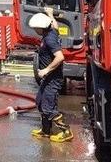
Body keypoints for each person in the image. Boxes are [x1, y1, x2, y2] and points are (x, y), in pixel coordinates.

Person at [28, 12, 73, 143]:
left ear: (41, 27)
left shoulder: (50, 39)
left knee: (48, 107)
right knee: (40, 102)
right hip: (47, 79)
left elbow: (60, 57)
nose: (35, 30)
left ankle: (66, 132)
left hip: (53, 79)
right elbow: (55, 25)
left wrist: (46, 70)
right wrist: (50, 15)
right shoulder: (51, 31)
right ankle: (46, 131)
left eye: (36, 28)